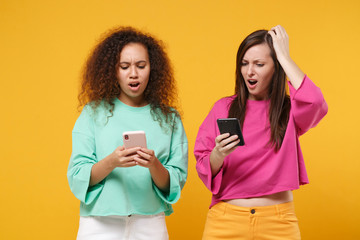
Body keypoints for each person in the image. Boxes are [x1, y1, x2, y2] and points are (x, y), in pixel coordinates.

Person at [194, 25, 328, 239]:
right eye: (244, 64)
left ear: (276, 68)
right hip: (226, 222)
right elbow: (202, 163)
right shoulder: (223, 107)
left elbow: (316, 102)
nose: (249, 72)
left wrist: (284, 57)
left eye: (259, 64)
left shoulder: (290, 110)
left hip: (278, 222)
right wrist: (218, 154)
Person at [67, 26, 188, 240]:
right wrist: (113, 161)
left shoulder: (169, 118)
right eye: (124, 66)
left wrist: (153, 164)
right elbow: (77, 176)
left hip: (150, 222)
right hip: (99, 223)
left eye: (141, 66)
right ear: (112, 70)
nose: (134, 74)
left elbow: (175, 182)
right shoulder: (93, 113)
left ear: (153, 68)